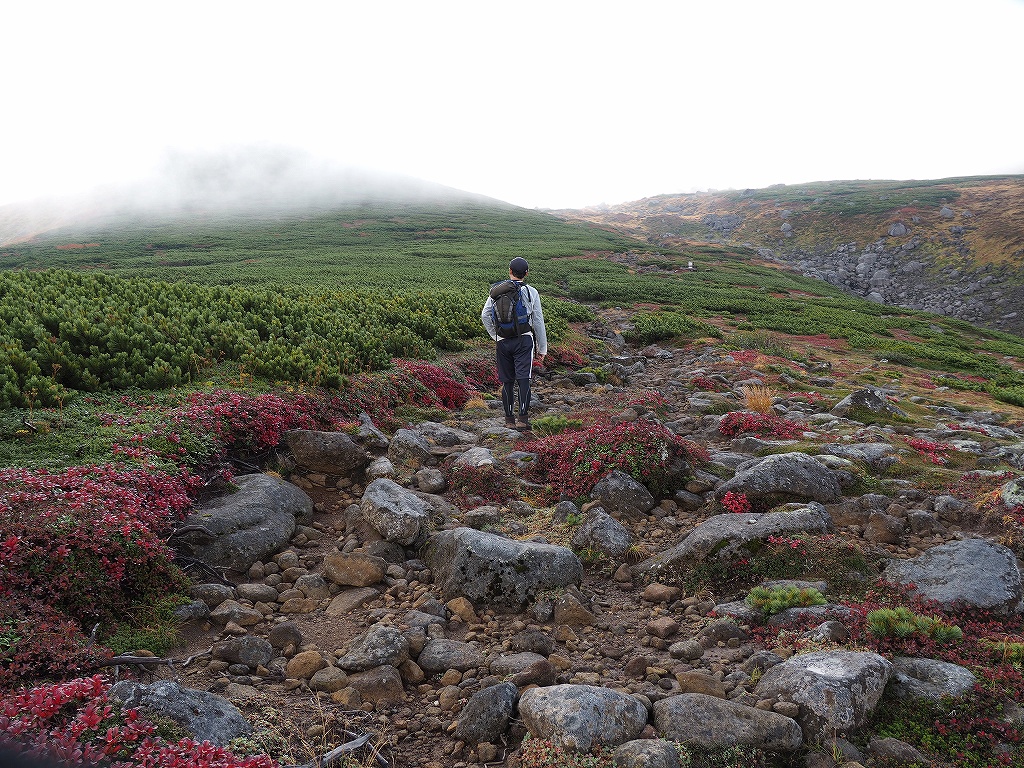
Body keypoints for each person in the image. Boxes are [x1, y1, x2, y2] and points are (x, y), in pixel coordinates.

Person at [481, 257, 547, 431]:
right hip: (524, 340)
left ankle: (509, 420)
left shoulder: (496, 291)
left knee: (507, 381)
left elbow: (485, 315)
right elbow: (538, 320)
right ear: (526, 273)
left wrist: (495, 336)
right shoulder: (531, 291)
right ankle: (523, 420)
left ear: (509, 270)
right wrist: (542, 348)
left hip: (503, 342)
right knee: (523, 379)